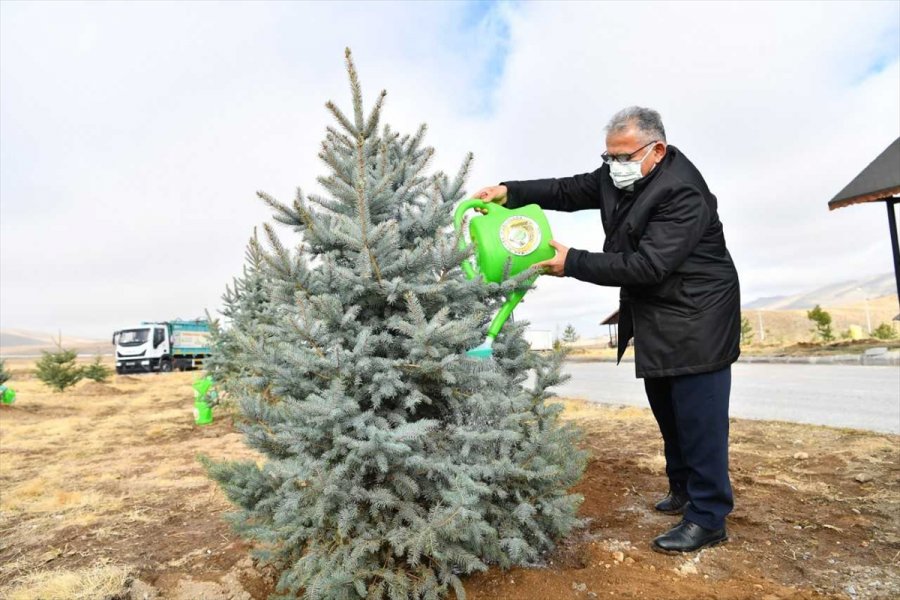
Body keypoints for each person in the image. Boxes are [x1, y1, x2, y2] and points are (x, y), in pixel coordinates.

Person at [473, 106, 741, 553]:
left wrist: (572, 262)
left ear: (657, 150)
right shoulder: (617, 174)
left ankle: (709, 516)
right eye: (608, 157)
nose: (614, 166)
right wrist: (509, 191)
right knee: (668, 409)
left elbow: (649, 264)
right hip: (658, 315)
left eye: (623, 156)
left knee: (700, 418)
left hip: (698, 318)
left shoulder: (683, 194)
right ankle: (682, 489)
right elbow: (564, 189)